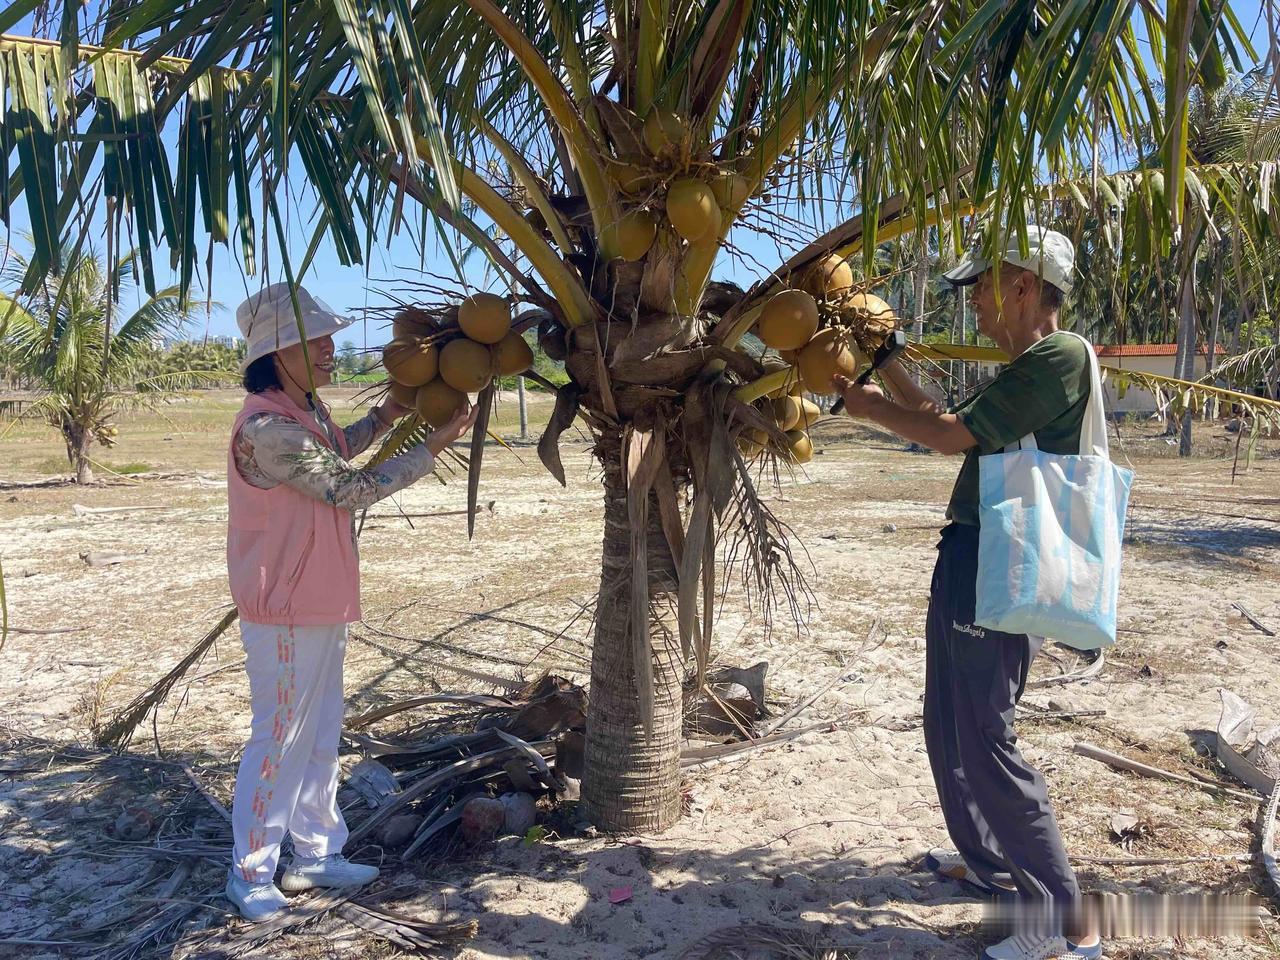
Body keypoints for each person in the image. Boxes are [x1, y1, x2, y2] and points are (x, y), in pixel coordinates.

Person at [833, 226, 1102, 960]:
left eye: (982, 286)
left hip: (1002, 561)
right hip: (972, 556)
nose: (977, 304)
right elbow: (943, 424)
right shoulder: (1025, 368)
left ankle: (1059, 924)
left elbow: (948, 435)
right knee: (947, 724)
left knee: (983, 733)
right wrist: (886, 368)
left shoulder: (1060, 355)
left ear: (1021, 286)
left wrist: (864, 408)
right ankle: (992, 869)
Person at [224, 284, 477, 922]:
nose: (331, 348)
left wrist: (389, 414)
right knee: (280, 738)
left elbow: (338, 449)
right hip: (284, 609)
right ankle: (251, 873)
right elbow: (349, 488)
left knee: (319, 738)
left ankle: (314, 853)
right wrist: (433, 446)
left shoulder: (300, 413)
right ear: (278, 350)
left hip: (319, 600)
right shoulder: (268, 426)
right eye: (316, 340)